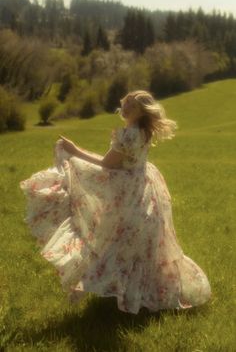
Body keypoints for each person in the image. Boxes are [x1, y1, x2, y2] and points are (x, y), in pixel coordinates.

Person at [19, 90, 212, 314]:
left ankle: (124, 292)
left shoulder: (130, 134)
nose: (126, 107)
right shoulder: (141, 131)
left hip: (130, 194)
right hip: (141, 190)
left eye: (133, 105)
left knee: (115, 241)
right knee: (137, 245)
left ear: (142, 112)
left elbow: (107, 164)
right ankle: (140, 292)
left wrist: (74, 151)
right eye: (126, 102)